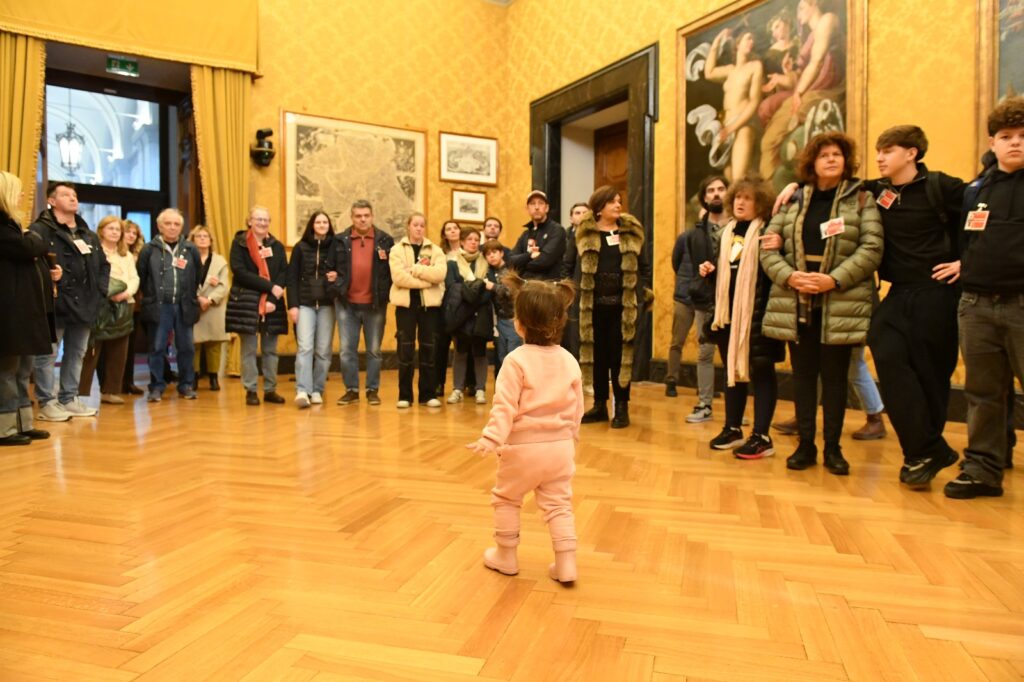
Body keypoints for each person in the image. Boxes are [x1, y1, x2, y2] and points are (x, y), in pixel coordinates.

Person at [761, 132, 883, 475]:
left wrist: (834, 279)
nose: (831, 159)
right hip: (797, 299)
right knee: (803, 378)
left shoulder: (862, 200)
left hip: (839, 300)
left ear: (846, 162)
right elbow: (768, 247)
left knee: (834, 380)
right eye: (824, 155)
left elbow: (871, 248)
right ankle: (805, 446)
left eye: (837, 154)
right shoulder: (794, 201)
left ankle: (832, 448)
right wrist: (790, 277)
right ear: (812, 163)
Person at [466, 273, 582, 584]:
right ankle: (567, 564)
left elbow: (505, 406)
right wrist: (571, 436)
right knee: (559, 505)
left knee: (507, 499)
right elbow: (577, 406)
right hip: (560, 447)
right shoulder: (570, 360)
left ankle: (506, 556)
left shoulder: (515, 361)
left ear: (519, 323)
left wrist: (491, 437)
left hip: (522, 449)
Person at [946, 97, 1024, 499]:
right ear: (992, 142)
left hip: (1021, 305)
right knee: (983, 393)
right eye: (1006, 137)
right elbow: (967, 240)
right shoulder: (976, 189)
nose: (1015, 143)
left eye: (1023, 137)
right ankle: (983, 469)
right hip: (976, 305)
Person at [699, 175, 783, 459]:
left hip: (758, 316)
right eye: (737, 197)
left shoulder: (769, 233)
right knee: (732, 372)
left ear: (760, 202)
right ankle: (732, 428)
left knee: (761, 372)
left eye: (748, 198)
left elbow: (774, 276)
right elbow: (727, 274)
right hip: (728, 316)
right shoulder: (725, 233)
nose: (740, 202)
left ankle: (762, 436)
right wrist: (711, 274)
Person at [575, 185, 652, 429]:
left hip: (623, 307)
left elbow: (645, 267)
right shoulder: (584, 233)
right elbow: (571, 265)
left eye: (619, 201)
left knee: (621, 358)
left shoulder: (631, 231)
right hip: (593, 307)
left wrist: (644, 293)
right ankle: (599, 405)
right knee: (597, 357)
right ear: (599, 207)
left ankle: (621, 406)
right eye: (612, 202)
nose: (618, 205)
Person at [31, 182, 109, 420]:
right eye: (66, 194)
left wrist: (100, 291)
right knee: (48, 354)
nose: (73, 198)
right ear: (52, 201)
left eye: (75, 195)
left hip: (85, 304)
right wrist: (49, 276)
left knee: (77, 353)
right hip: (55, 303)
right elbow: (31, 264)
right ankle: (46, 402)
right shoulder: (41, 230)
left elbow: (103, 265)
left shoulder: (88, 234)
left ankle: (69, 398)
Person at [0, 171, 56, 444]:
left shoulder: (14, 226)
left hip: (25, 311)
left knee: (23, 371)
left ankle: (22, 423)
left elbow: (35, 247)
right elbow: (32, 246)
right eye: (19, 191)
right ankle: (5, 428)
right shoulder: (3, 227)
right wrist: (33, 239)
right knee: (6, 372)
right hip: (9, 312)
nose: (23, 196)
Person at [667, 175, 728, 425]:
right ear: (704, 197)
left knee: (734, 355)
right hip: (704, 299)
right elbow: (680, 263)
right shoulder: (693, 234)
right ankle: (704, 404)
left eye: (721, 189)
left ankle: (739, 408)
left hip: (734, 300)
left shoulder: (742, 227)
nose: (716, 194)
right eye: (711, 190)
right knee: (705, 353)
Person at [328, 200, 394, 406]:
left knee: (374, 350)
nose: (362, 219)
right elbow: (329, 270)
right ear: (352, 218)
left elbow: (391, 272)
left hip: (375, 305)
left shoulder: (385, 240)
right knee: (347, 350)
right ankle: (352, 390)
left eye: (366, 215)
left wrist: (384, 295)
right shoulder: (339, 241)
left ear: (372, 216)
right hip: (347, 305)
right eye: (358, 216)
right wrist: (339, 287)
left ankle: (372, 390)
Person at [136, 208, 201, 402]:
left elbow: (198, 274)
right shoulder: (149, 249)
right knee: (157, 348)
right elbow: (142, 275)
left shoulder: (190, 249)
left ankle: (186, 385)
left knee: (186, 347)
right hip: (159, 306)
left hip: (184, 306)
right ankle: (156, 386)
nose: (172, 227)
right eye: (168, 223)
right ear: (159, 226)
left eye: (177, 224)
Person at [225, 206, 288, 406]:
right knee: (249, 350)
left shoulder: (276, 246)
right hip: (247, 303)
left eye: (265, 220)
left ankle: (270, 389)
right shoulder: (240, 244)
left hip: (272, 304)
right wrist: (270, 287)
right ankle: (251, 390)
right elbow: (240, 273)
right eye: (258, 219)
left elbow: (282, 273)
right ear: (249, 221)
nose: (262, 223)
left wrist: (271, 299)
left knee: (271, 350)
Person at [79, 216, 139, 404]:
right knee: (92, 351)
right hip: (100, 304)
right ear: (101, 230)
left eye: (118, 229)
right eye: (110, 228)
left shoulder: (126, 254)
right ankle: (80, 393)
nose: (115, 232)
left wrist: (126, 292)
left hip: (124, 304)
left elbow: (134, 278)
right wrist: (108, 292)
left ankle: (111, 391)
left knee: (119, 351)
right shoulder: (94, 251)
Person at [389, 212, 446, 408]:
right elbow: (398, 278)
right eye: (415, 225)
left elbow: (439, 274)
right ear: (408, 226)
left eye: (422, 225)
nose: (419, 228)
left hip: (429, 309)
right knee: (405, 351)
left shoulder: (435, 250)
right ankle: (405, 395)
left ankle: (427, 394)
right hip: (406, 308)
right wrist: (425, 282)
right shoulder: (397, 250)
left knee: (429, 349)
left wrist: (414, 269)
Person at [286, 210, 336, 408]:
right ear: (312, 225)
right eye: (318, 222)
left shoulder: (335, 247)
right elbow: (292, 278)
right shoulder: (300, 247)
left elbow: (342, 273)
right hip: (305, 305)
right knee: (305, 347)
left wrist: (335, 276)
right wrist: (292, 306)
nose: (322, 225)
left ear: (329, 225)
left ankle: (317, 390)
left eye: (325, 222)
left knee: (323, 351)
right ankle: (302, 390)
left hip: (327, 305)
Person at [704, 28, 764, 181]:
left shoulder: (755, 66)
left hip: (743, 125)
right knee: (730, 180)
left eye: (753, 40)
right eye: (748, 38)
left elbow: (754, 101)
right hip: (726, 128)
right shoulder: (730, 70)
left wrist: (733, 127)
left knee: (738, 180)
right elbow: (708, 72)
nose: (752, 42)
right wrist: (717, 41)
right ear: (737, 44)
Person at [443, 226, 492, 404]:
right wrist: (477, 288)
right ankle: (457, 389)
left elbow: (489, 290)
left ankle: (480, 389)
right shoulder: (452, 263)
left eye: (476, 240)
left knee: (480, 353)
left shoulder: (486, 262)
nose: (473, 242)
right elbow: (453, 288)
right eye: (470, 239)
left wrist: (473, 293)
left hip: (481, 314)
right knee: (461, 352)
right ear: (462, 241)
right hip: (461, 315)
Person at [189, 226, 229, 392]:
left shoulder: (220, 261)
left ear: (211, 241)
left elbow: (224, 285)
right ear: (193, 239)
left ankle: (213, 378)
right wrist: (198, 298)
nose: (203, 239)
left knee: (214, 344)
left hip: (214, 307)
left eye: (206, 236)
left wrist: (210, 299)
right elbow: (183, 282)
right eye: (199, 236)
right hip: (193, 305)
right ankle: (194, 378)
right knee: (193, 344)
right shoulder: (187, 259)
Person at [510, 190, 567, 282]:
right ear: (527, 209)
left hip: (548, 288)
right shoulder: (525, 234)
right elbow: (511, 261)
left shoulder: (557, 230)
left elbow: (544, 261)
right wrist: (530, 256)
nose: (536, 207)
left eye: (541, 203)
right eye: (532, 204)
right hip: (525, 287)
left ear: (547, 208)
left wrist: (522, 264)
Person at [483, 239, 522, 372]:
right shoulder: (489, 272)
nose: (491, 256)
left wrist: (492, 286)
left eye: (494, 252)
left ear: (501, 253)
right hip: (499, 321)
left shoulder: (510, 271)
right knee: (502, 357)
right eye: (488, 254)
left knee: (513, 356)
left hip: (513, 319)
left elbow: (511, 291)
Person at [434, 219, 463, 399]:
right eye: (448, 229)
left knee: (462, 345)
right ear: (444, 234)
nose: (452, 231)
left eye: (455, 228)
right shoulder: (439, 254)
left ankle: (464, 385)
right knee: (440, 346)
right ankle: (438, 384)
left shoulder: (467, 252)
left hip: (461, 304)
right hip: (441, 303)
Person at [120, 220, 145, 395]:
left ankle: (129, 381)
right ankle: (116, 382)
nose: (131, 235)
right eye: (128, 231)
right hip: (116, 303)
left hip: (135, 305)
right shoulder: (116, 254)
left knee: (130, 346)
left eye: (134, 233)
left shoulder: (139, 255)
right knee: (117, 346)